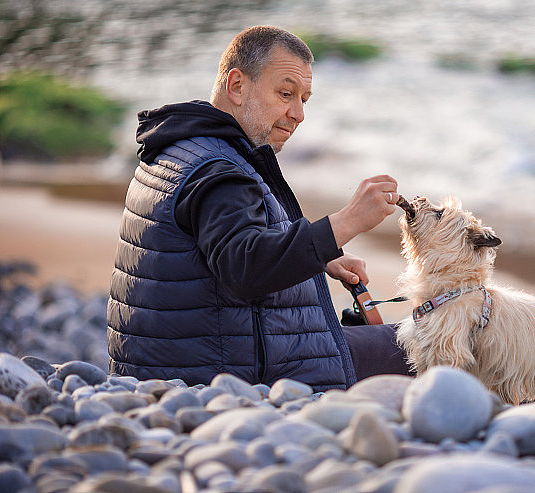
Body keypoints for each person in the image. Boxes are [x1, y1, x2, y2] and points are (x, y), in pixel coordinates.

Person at [107, 25, 409, 390]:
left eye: (304, 99)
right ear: (236, 85)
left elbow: (224, 243)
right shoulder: (220, 173)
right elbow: (246, 268)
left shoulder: (185, 146)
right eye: (285, 93)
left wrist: (322, 257)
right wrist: (346, 222)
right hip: (225, 372)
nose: (298, 113)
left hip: (176, 358)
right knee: (436, 340)